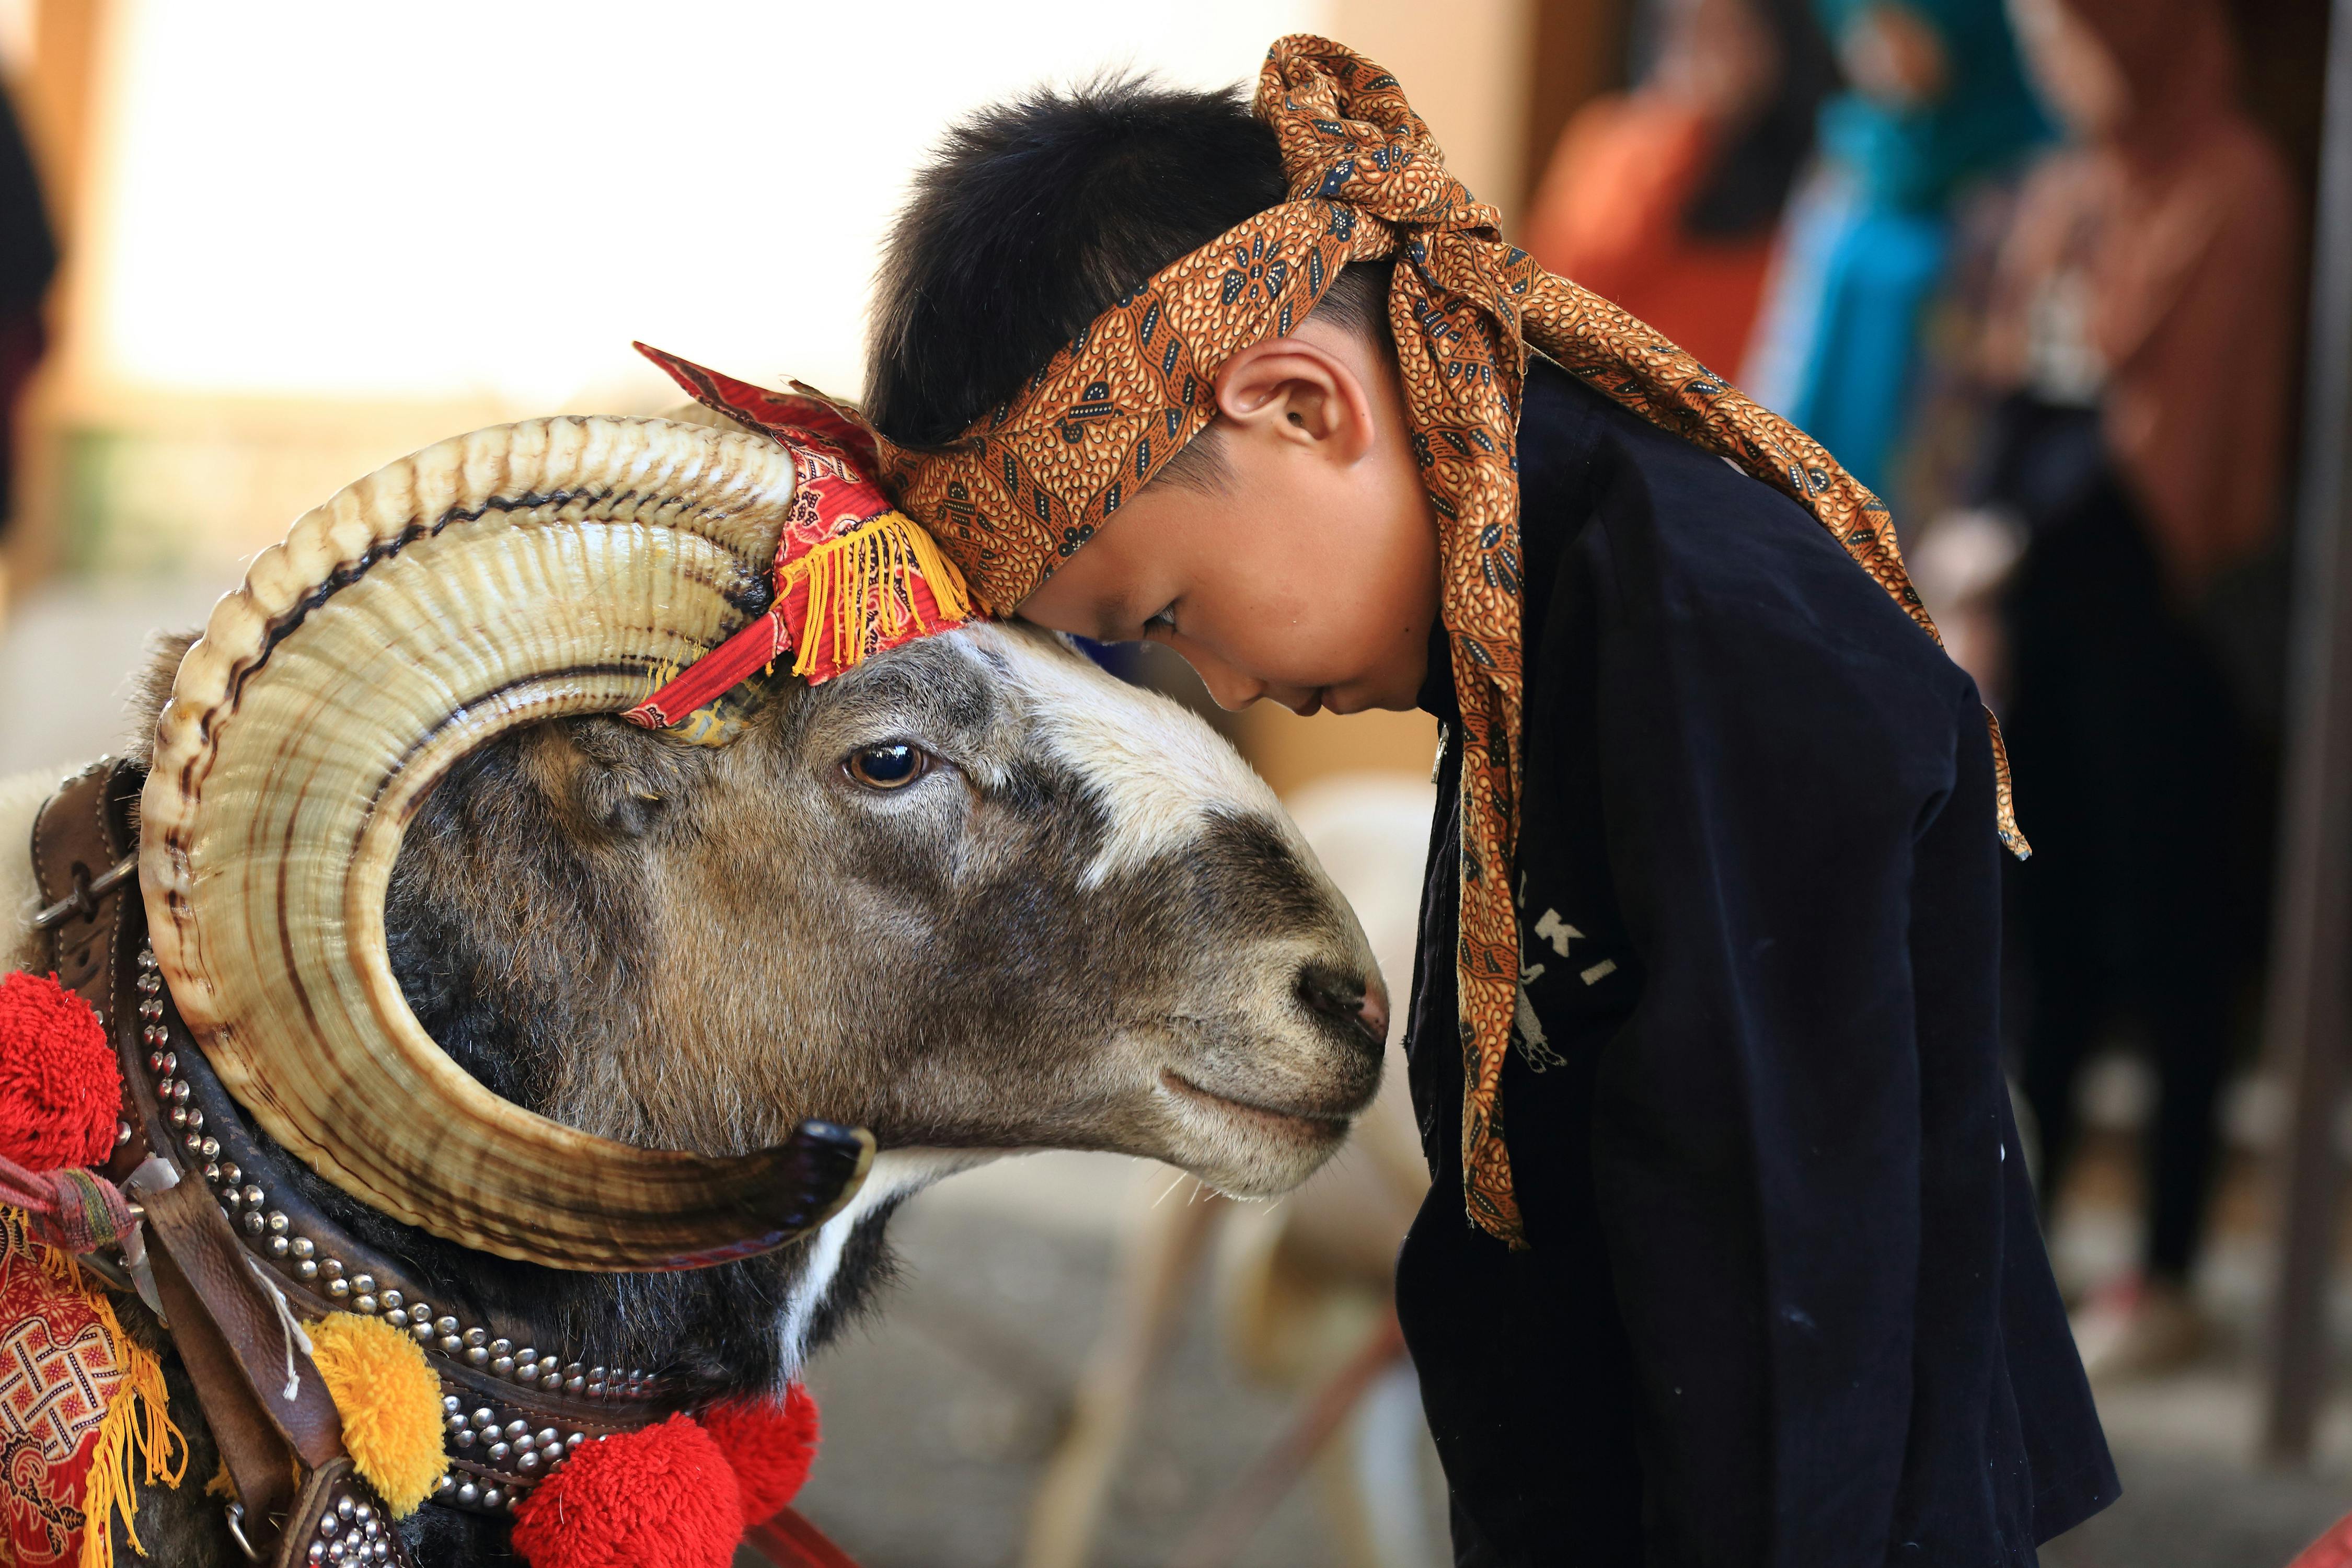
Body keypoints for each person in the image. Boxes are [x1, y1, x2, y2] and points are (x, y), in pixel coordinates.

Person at [855, 37, 2115, 1562]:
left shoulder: (1716, 651)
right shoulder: (1550, 617)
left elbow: (1787, 1295)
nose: (1229, 683)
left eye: (1173, 611)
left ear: (1302, 406)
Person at [1978, 0, 2299, 1377]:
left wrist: (2014, 536)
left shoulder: (2234, 185)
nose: (2055, 65)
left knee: (2172, 946)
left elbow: (2180, 439)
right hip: (2042, 626)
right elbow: (2012, 390)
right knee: (2034, 939)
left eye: (2074, 36)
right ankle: (2027, 1246)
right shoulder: (2066, 187)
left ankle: (2164, 1269)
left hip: (2164, 627)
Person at [1743, 0, 2046, 500]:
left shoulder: (2033, 184)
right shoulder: (1848, 158)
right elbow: (1788, 350)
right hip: (1815, 500)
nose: (1876, 47)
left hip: (1940, 495)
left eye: (1900, 20)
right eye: (1860, 20)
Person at [1521, 0, 1835, 374]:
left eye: (1732, 31)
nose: (1705, 49)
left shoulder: (1812, 166)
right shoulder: (1617, 138)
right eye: (1686, 28)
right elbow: (1561, 284)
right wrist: (1680, 130)